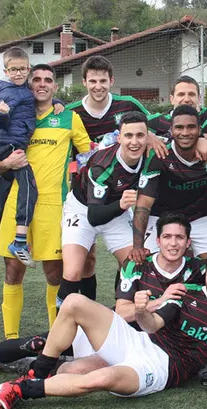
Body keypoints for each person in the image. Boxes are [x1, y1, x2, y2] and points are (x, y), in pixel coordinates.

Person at [0, 213, 207, 375]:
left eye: (179, 237)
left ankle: (38, 366)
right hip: (110, 331)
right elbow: (121, 311)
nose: (173, 243)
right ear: (156, 240)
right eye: (167, 237)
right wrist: (158, 301)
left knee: (73, 373)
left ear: (188, 242)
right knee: (35, 342)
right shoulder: (137, 264)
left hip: (143, 350)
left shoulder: (197, 270)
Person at [0, 248, 207, 409]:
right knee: (74, 303)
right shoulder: (185, 293)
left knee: (99, 378)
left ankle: (23, 390)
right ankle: (35, 374)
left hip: (161, 369)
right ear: (205, 275)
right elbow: (153, 325)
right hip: (140, 341)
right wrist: (142, 311)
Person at [0, 64, 91, 340]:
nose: (42, 84)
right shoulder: (12, 115)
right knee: (12, 271)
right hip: (16, 204)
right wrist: (5, 162)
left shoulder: (68, 118)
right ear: (29, 85)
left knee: (55, 275)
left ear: (55, 87)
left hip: (53, 207)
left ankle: (55, 338)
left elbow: (90, 158)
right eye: (37, 79)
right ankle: (11, 339)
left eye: (48, 80)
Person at [129, 105, 207, 263]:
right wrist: (138, 246)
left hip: (199, 217)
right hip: (161, 217)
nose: (185, 133)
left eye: (191, 127)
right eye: (179, 127)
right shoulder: (160, 155)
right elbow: (143, 205)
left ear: (199, 130)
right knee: (146, 264)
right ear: (171, 130)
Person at [57, 111, 148, 305]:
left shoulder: (150, 154)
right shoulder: (102, 165)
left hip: (117, 211)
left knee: (133, 264)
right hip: (83, 209)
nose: (134, 142)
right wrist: (122, 204)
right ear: (119, 137)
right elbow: (94, 216)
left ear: (148, 137)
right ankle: (62, 329)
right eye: (128, 136)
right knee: (74, 271)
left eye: (140, 135)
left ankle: (119, 315)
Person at [0, 47, 46, 269]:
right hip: (11, 146)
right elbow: (2, 119)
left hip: (9, 143)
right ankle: (20, 241)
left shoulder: (23, 89)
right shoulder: (9, 93)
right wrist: (1, 114)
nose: (18, 73)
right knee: (30, 188)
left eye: (22, 69)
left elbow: (32, 96)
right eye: (13, 69)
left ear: (28, 69)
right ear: (5, 70)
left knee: (2, 195)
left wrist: (59, 101)